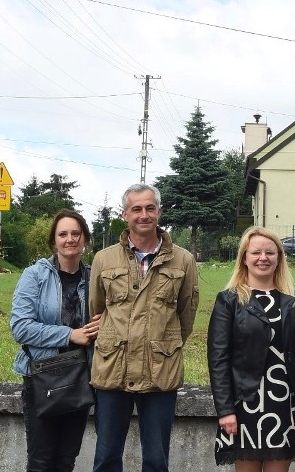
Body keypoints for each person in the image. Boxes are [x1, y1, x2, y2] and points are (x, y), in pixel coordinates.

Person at [89, 183, 199, 472]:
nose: (144, 214)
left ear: (159, 212)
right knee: (106, 458)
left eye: (150, 208)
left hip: (160, 370)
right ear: (125, 214)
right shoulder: (104, 259)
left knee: (156, 460)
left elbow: (185, 315)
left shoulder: (184, 260)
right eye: (136, 209)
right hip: (113, 368)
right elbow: (97, 309)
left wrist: (164, 342)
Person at [207, 226, 295, 470]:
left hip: (285, 405)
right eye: (255, 252)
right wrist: (225, 410)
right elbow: (218, 359)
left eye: (270, 252)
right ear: (244, 258)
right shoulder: (229, 300)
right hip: (244, 405)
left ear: (279, 257)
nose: (263, 258)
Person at [10, 209, 101, 472]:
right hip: (42, 377)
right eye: (63, 234)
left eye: (76, 233)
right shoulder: (35, 275)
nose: (70, 239)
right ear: (54, 241)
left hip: (80, 377)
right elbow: (20, 327)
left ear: (85, 239)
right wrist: (70, 334)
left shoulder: (94, 277)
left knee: (65, 460)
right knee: (40, 462)